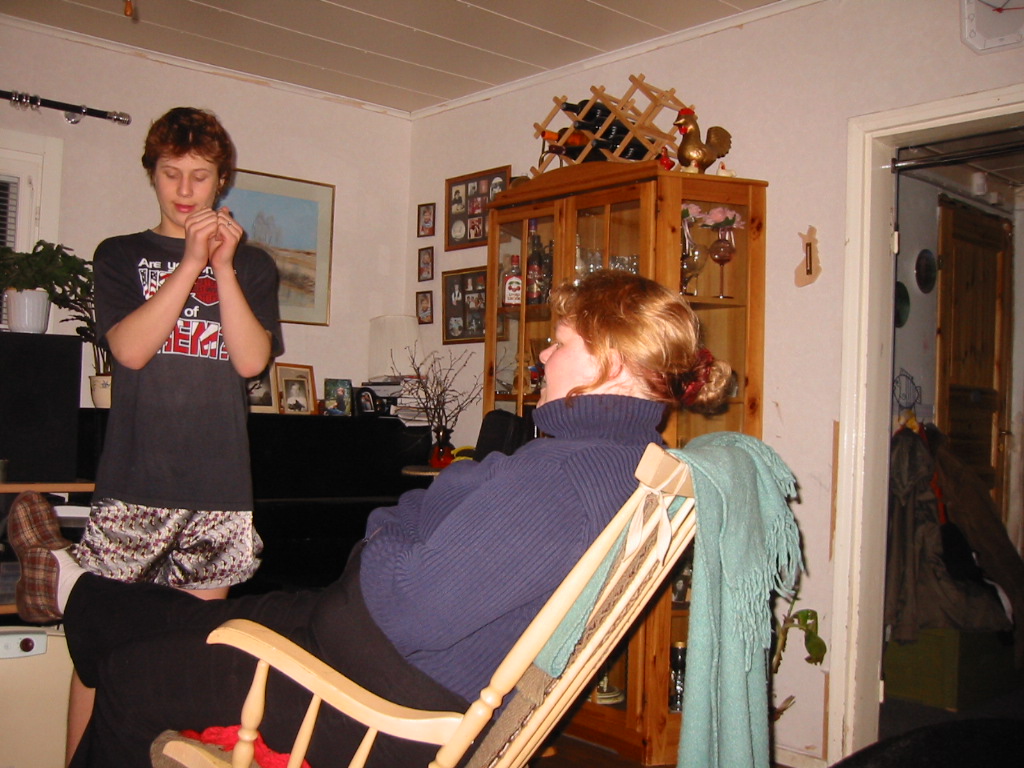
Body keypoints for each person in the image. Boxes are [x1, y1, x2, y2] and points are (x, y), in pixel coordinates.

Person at [9, 270, 731, 767]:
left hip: (377, 698)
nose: (541, 355)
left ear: (611, 361)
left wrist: (386, 530)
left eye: (559, 342)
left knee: (134, 677)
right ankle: (77, 586)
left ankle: (75, 589)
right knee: (182, 614)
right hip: (371, 650)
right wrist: (418, 520)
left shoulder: (564, 478)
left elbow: (406, 601)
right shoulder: (610, 458)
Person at [63, 106, 284, 760]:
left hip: (218, 494)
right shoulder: (120, 255)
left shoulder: (253, 265)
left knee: (186, 661)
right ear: (152, 174)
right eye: (171, 174)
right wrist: (190, 263)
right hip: (134, 487)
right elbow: (129, 350)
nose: (185, 190)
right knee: (100, 655)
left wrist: (222, 267)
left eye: (200, 176)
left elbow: (251, 361)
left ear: (222, 180)